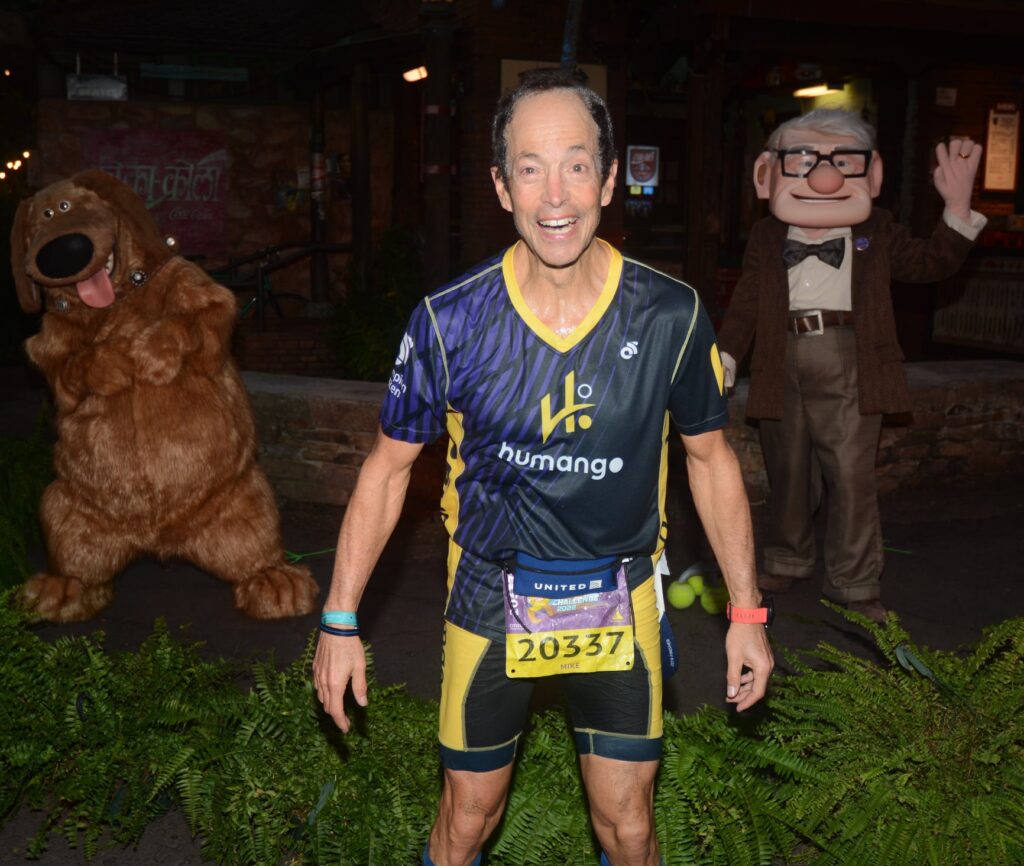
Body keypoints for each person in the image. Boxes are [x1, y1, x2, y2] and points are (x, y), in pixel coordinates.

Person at [313, 70, 773, 866]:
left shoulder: (671, 314)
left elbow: (710, 460)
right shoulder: (451, 320)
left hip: (620, 594)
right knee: (466, 821)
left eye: (576, 165)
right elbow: (386, 471)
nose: (555, 195)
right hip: (489, 594)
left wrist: (747, 613)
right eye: (530, 168)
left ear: (609, 178)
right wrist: (340, 619)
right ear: (501, 186)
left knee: (630, 829)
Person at [717, 108, 986, 623]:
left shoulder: (878, 231)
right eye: (803, 161)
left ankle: (855, 581)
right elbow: (748, 300)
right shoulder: (768, 236)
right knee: (787, 466)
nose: (826, 177)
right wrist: (727, 352)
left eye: (844, 162)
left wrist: (956, 210)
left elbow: (929, 264)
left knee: (850, 474)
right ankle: (787, 558)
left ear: (873, 174)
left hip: (851, 356)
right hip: (779, 356)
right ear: (766, 174)